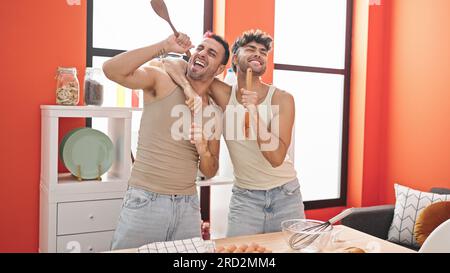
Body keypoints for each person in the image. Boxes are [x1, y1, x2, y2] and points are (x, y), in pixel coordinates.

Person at [164, 29, 305, 237]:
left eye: (263, 51)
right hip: (246, 198)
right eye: (250, 49)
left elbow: (275, 158)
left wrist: (254, 113)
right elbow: (172, 64)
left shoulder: (282, 99)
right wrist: (186, 86)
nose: (258, 54)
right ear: (235, 59)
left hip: (285, 194)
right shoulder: (224, 95)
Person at [103, 31, 230, 250]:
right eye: (200, 48)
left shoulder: (214, 112)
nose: (201, 53)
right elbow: (111, 70)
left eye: (211, 53)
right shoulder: (162, 81)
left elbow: (210, 171)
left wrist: (203, 149)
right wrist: (164, 45)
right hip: (146, 201)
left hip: (188, 207)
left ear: (219, 69)